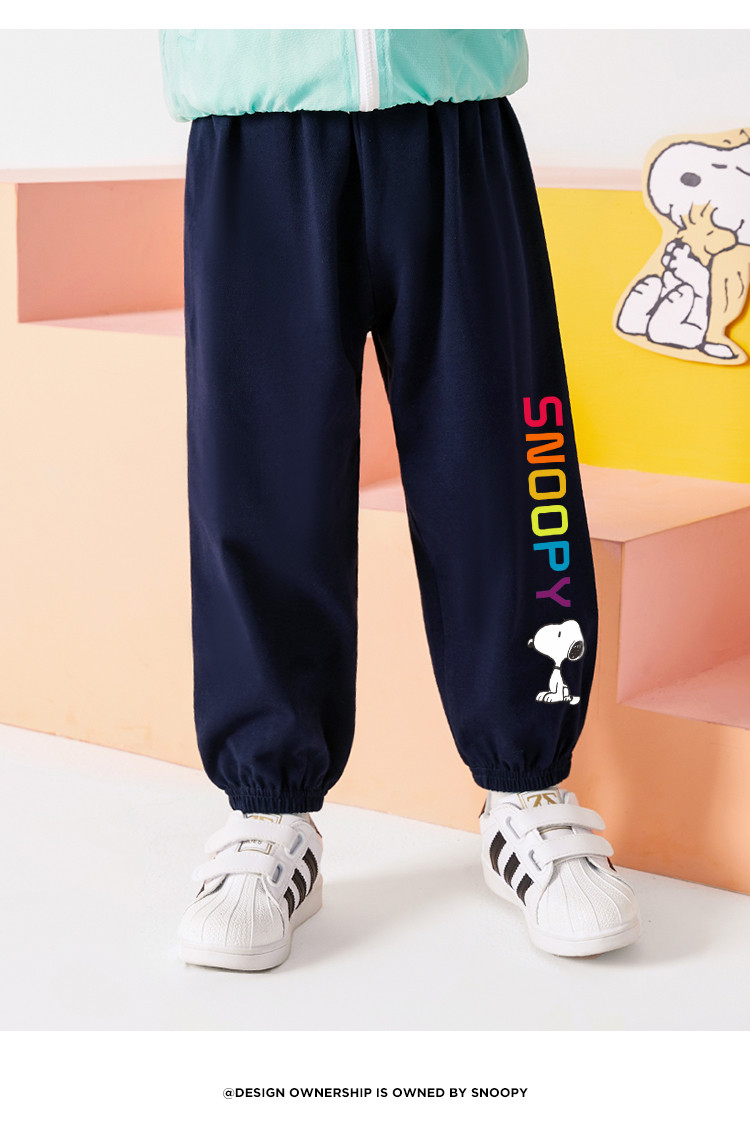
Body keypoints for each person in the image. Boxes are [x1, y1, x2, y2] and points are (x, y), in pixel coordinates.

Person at [158, 28, 641, 971]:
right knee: (262, 481)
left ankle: (529, 789)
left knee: (508, 467)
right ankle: (268, 812)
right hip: (258, 113)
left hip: (452, 108)